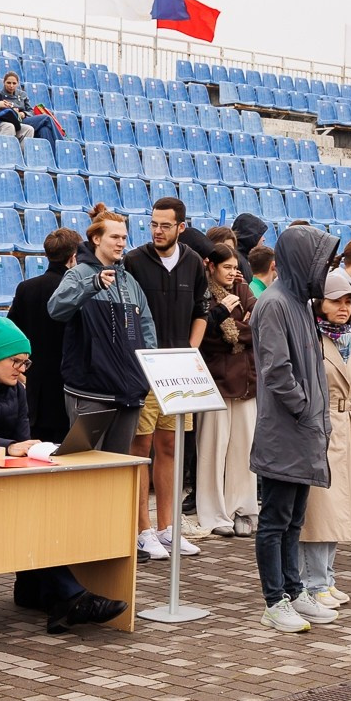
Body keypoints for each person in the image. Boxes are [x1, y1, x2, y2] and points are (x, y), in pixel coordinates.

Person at [0, 319, 129, 634]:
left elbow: (23, 438)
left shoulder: (16, 390)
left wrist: (36, 451)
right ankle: (67, 597)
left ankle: (44, 592)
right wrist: (10, 447)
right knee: (26, 519)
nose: (21, 369)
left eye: (25, 363)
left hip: (3, 479)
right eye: (16, 361)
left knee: (48, 511)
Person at [250, 224, 336, 632]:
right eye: (320, 261)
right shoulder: (273, 304)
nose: (325, 269)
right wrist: (304, 410)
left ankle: (294, 590)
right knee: (275, 519)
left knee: (295, 519)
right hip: (285, 432)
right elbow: (277, 370)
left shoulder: (300, 303)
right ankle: (274, 601)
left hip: (304, 431)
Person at [48, 211, 158, 528]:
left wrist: (144, 371)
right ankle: (81, 545)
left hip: (128, 393)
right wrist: (92, 285)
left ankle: (110, 547)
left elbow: (146, 328)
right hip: (90, 391)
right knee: (86, 474)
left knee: (116, 475)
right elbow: (56, 308)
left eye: (124, 236)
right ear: (96, 239)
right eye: (114, 236)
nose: (121, 242)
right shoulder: (78, 273)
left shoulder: (129, 280)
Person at [122, 197, 209, 558]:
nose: (157, 231)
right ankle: (143, 530)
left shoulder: (193, 263)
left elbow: (202, 310)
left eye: (165, 225)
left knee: (172, 447)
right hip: (144, 369)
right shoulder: (134, 261)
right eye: (153, 224)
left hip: (180, 371)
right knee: (140, 449)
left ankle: (168, 528)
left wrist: (190, 351)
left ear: (181, 228)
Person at [301, 269, 351, 604]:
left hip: (349, 429)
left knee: (340, 507)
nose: (343, 307)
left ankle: (326, 578)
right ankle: (313, 582)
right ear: (320, 303)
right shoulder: (311, 339)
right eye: (336, 301)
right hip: (320, 428)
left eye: (348, 301)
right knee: (319, 510)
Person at [192, 233, 259, 537]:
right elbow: (208, 338)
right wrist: (232, 327)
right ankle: (213, 513)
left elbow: (256, 327)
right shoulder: (204, 293)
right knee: (212, 450)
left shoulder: (244, 290)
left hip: (245, 381)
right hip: (216, 381)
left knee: (243, 450)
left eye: (235, 267)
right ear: (212, 267)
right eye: (227, 267)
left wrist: (235, 329)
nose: (233, 272)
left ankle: (242, 509)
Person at [6, 227, 80, 442]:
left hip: (35, 387)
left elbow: (12, 334)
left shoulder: (26, 288)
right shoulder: (76, 290)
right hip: (68, 387)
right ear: (73, 257)